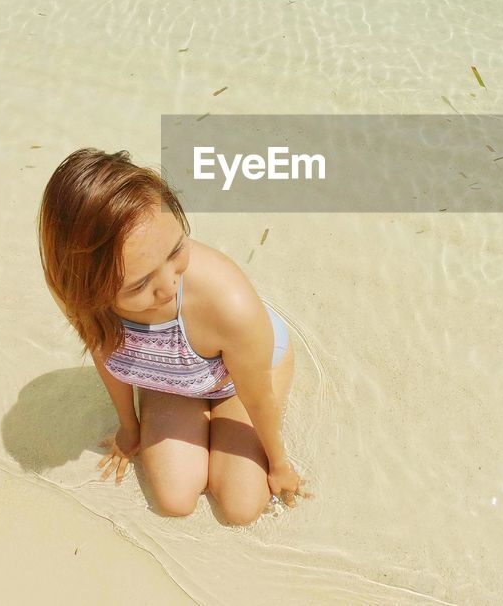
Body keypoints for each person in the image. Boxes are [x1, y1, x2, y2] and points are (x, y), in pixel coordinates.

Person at [38, 148, 309, 525]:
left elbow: (258, 395)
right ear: (86, 287)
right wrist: (128, 427)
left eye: (177, 250)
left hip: (243, 377)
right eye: (140, 284)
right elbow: (104, 352)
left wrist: (279, 464)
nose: (168, 286)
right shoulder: (80, 299)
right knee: (174, 499)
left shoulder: (226, 301)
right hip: (177, 376)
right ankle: (174, 386)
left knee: (240, 508)